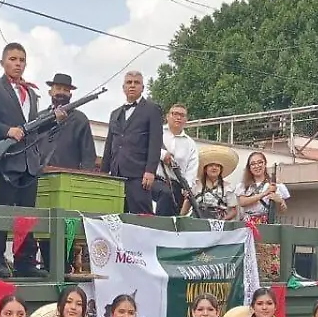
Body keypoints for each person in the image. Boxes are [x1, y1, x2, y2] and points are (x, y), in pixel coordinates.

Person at [0, 43, 53, 278]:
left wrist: (55, 119)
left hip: (30, 162)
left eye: (21, 59)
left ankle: (24, 261)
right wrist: (7, 131)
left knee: (26, 216)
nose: (18, 63)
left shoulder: (31, 92)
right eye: (12, 59)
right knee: (2, 212)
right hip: (7, 158)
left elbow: (33, 128)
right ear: (2, 62)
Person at [101, 71, 169, 216]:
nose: (132, 85)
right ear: (123, 87)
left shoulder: (152, 109)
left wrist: (150, 171)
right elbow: (109, 144)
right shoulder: (115, 113)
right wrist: (103, 173)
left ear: (142, 87)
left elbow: (155, 142)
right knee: (115, 218)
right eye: (129, 82)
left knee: (143, 219)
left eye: (136, 82)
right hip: (116, 175)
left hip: (139, 175)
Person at [38, 73, 97, 171]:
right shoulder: (39, 117)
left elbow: (88, 156)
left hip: (67, 176)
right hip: (38, 174)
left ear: (70, 95)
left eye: (66, 90)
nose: (62, 92)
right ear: (50, 92)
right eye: (58, 88)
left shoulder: (80, 119)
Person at [158, 103, 199, 212]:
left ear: (186, 119)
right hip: (154, 181)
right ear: (167, 116)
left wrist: (188, 188)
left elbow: (191, 170)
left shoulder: (190, 144)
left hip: (176, 187)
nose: (178, 117)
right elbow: (144, 147)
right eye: (174, 114)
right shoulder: (157, 132)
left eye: (182, 115)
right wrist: (162, 155)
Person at [182, 145, 239, 220]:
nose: (214, 168)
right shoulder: (195, 185)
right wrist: (180, 218)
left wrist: (221, 221)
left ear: (220, 169)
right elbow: (187, 205)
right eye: (211, 165)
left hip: (219, 225)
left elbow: (233, 211)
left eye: (217, 166)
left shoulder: (227, 187)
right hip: (197, 223)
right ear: (205, 169)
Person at [237, 151, 288, 224]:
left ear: (265, 164)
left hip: (267, 223)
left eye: (260, 162)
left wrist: (280, 202)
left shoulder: (275, 185)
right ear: (249, 167)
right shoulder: (243, 185)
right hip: (247, 224)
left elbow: (283, 211)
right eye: (253, 164)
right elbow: (242, 202)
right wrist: (265, 193)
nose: (257, 166)